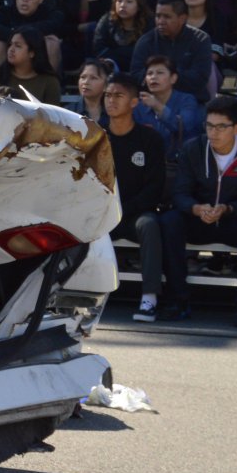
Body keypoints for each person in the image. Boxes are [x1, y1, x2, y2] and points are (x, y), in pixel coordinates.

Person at [148, 96, 237, 325]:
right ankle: (177, 300)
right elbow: (180, 192)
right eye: (209, 125)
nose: (213, 132)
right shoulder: (193, 148)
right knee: (170, 221)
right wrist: (195, 208)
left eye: (221, 127)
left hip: (233, 219)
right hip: (199, 218)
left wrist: (228, 208)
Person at [103, 73, 168, 311]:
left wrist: (123, 209)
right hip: (103, 213)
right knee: (77, 222)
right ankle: (76, 294)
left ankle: (149, 297)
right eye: (108, 95)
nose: (111, 100)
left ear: (133, 102)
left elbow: (154, 188)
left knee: (149, 225)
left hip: (135, 214)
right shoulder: (97, 136)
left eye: (118, 95)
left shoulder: (150, 139)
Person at [130, 0, 214, 101]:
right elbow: (136, 75)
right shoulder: (146, 41)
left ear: (182, 18)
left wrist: (165, 76)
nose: (160, 21)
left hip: (190, 100)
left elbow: (199, 78)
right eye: (158, 16)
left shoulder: (200, 40)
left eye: (167, 17)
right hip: (152, 100)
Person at [0, 29, 62, 104]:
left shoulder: (50, 82)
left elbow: (53, 117)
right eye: (10, 44)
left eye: (18, 46)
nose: (11, 49)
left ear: (32, 52)